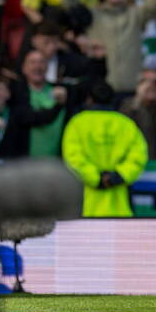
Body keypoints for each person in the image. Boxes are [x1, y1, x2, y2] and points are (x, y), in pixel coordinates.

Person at [63, 0, 156, 95]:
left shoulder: (136, 14)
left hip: (133, 89)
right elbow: (69, 4)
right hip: (102, 92)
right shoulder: (93, 15)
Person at [62, 81, 148, 217]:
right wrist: (118, 176)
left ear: (89, 99)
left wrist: (95, 178)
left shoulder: (77, 123)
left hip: (85, 204)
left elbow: (73, 157)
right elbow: (138, 156)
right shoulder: (126, 124)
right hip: (121, 205)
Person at [12, 49, 69, 157]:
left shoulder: (61, 90)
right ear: (24, 68)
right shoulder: (16, 93)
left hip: (57, 161)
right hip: (25, 161)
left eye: (42, 62)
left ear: (47, 67)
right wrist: (58, 106)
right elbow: (29, 118)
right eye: (32, 62)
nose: (37, 66)